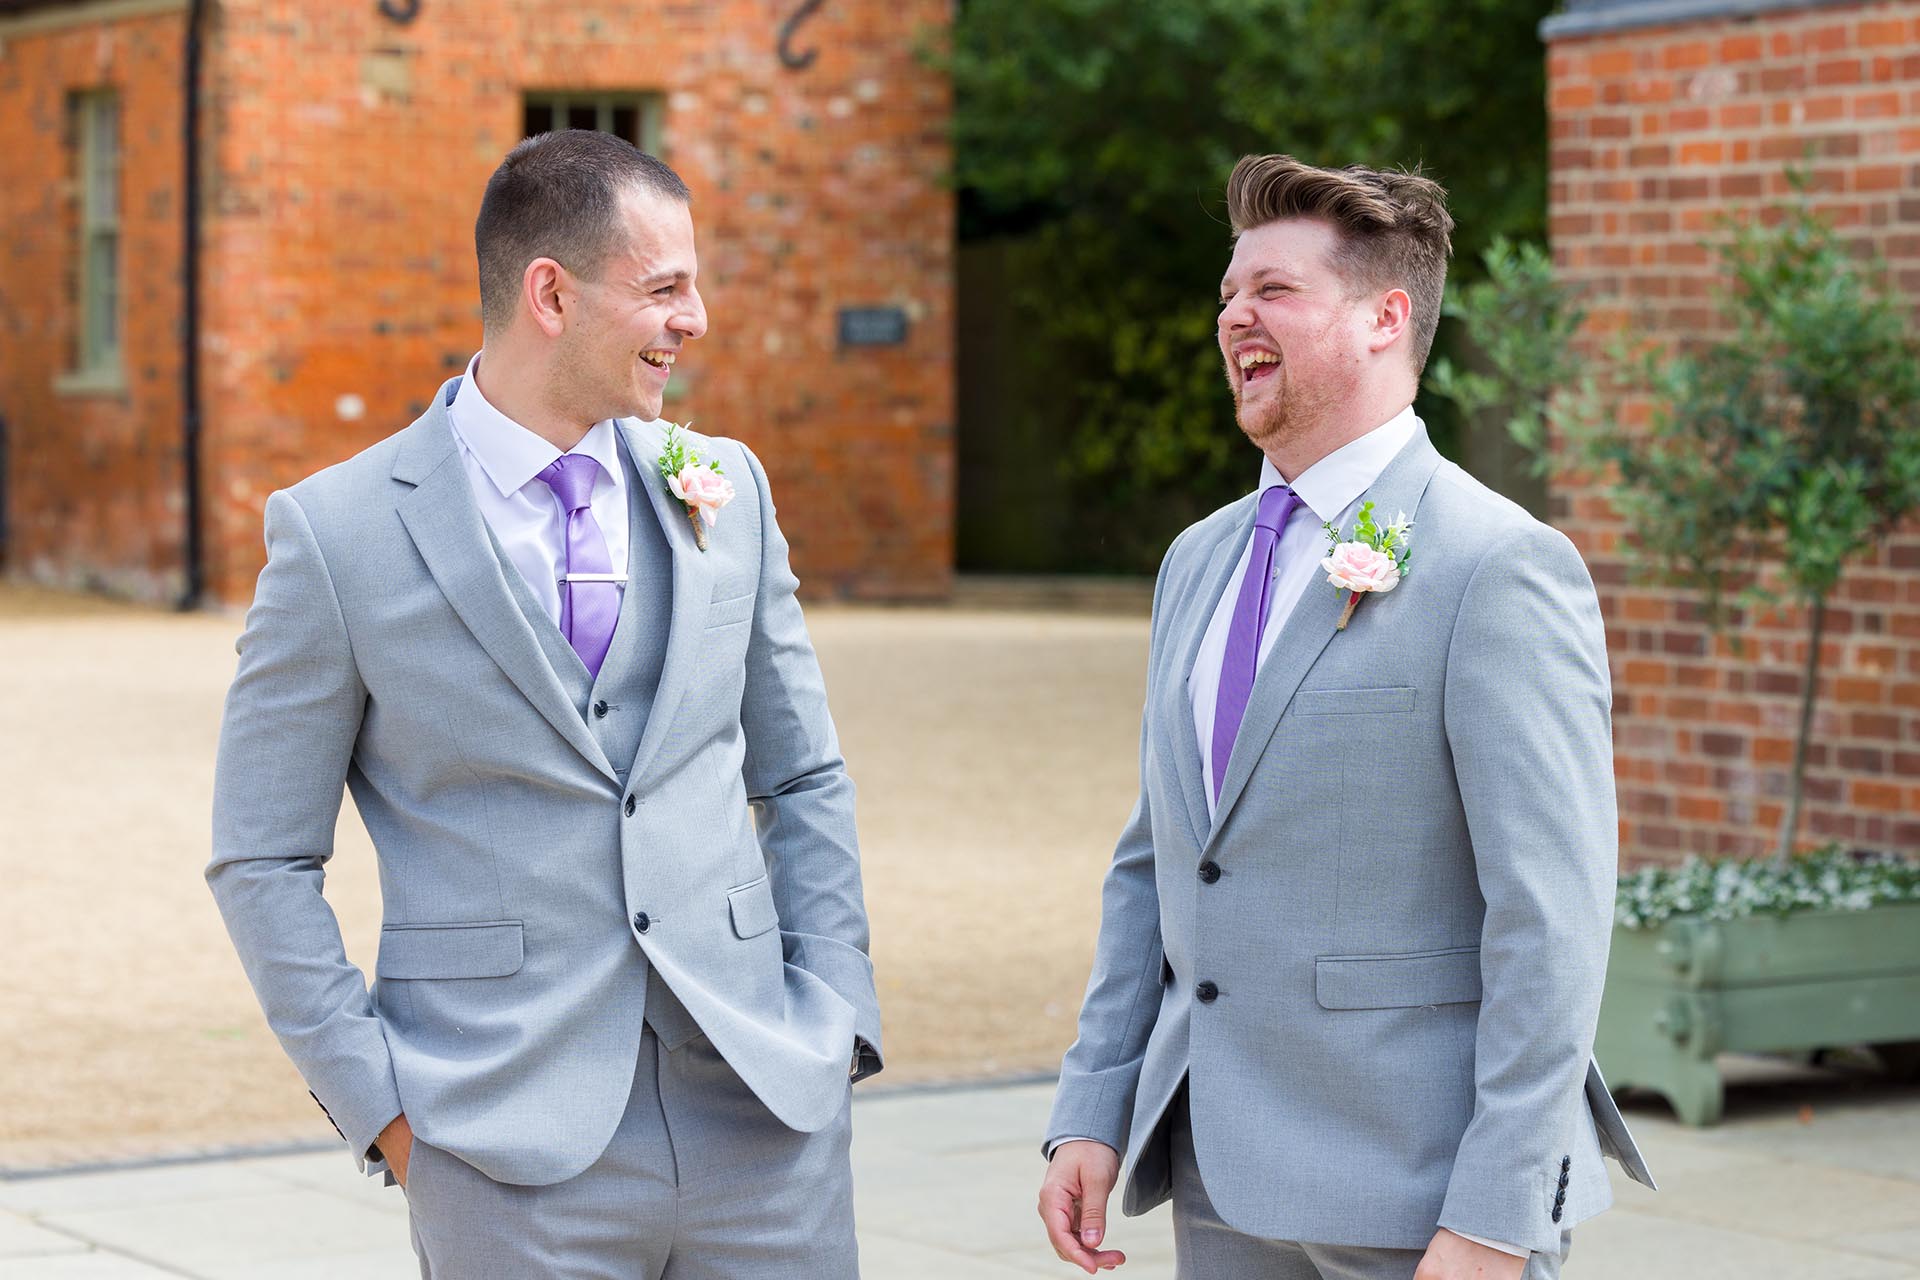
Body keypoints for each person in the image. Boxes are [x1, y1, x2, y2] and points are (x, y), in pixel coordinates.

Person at [207, 128, 880, 1277]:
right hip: (505, 1150)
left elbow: (802, 772)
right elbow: (259, 857)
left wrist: (833, 1018)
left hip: (766, 1120)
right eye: (665, 287)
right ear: (552, 295)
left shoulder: (730, 485)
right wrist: (386, 1114)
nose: (698, 318)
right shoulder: (340, 531)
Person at [1037, 154, 1654, 1280]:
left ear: (1385, 316)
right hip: (1217, 1178)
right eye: (1228, 294)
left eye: (1272, 288)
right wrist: (1095, 1104)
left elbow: (1552, 915)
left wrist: (1495, 1214)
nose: (1233, 315)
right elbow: (1160, 858)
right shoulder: (1198, 560)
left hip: (1419, 1197)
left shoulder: (1500, 564)